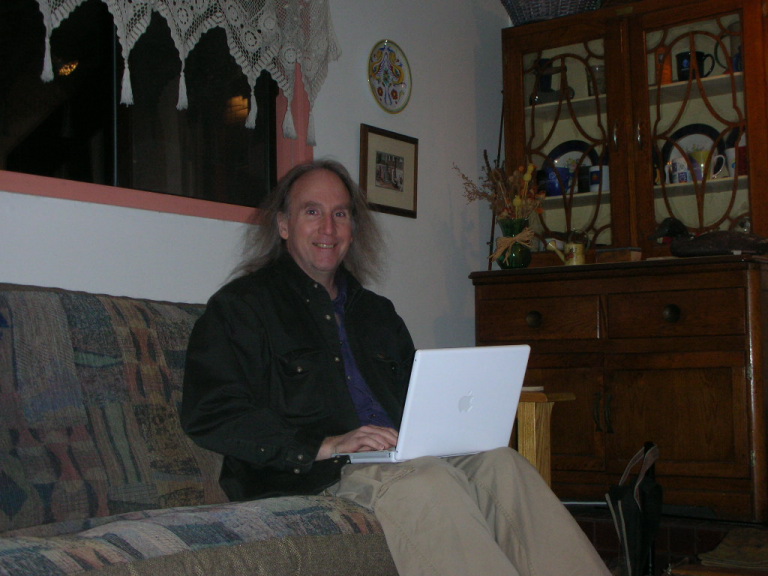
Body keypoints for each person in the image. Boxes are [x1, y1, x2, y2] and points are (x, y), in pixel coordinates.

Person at [181, 159, 611, 576]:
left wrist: (451, 430)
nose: (328, 228)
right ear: (283, 225)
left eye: (340, 214)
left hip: (400, 457)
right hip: (316, 473)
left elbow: (416, 399)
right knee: (426, 481)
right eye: (312, 212)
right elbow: (210, 413)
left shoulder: (377, 313)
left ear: (353, 228)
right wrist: (325, 443)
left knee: (504, 465)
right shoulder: (241, 308)